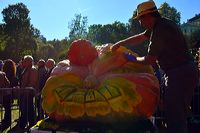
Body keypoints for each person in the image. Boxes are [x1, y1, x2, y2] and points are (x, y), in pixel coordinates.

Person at [111, 1, 199, 133]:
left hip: (178, 73)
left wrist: (130, 58)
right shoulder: (163, 23)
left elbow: (149, 59)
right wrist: (121, 43)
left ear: (147, 16)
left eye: (140, 19)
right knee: (179, 112)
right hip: (185, 70)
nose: (140, 23)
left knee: (174, 116)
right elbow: (141, 37)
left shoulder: (160, 29)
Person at [0, 59, 19, 131]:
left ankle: (7, 121)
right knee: (8, 109)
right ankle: (7, 120)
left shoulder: (4, 74)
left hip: (6, 94)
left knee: (7, 108)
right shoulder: (13, 75)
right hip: (9, 94)